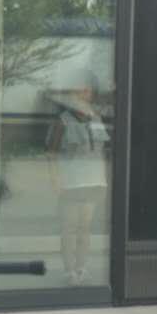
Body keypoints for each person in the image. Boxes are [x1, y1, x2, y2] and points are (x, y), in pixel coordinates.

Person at [47, 73, 110, 287]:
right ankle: (69, 271)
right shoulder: (62, 121)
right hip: (71, 183)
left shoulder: (96, 118)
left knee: (85, 228)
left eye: (87, 89)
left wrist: (105, 180)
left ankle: (81, 268)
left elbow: (101, 153)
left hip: (93, 182)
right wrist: (55, 181)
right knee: (69, 228)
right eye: (80, 89)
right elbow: (51, 153)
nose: (84, 93)